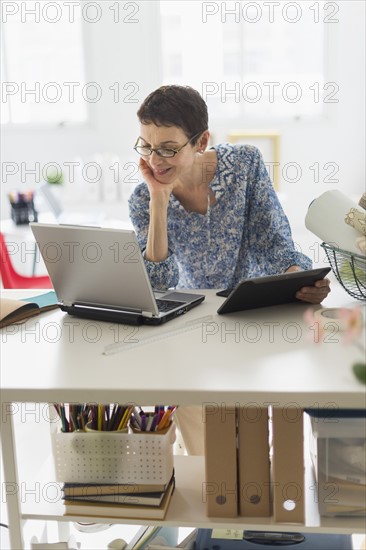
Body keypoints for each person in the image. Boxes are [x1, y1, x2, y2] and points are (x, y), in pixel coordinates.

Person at [128, 85, 331, 453]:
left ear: (201, 140)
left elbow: (272, 242)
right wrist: (159, 200)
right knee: (207, 449)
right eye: (147, 146)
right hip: (188, 329)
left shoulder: (245, 165)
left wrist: (299, 279)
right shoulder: (143, 197)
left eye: (168, 148)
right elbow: (159, 283)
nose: (155, 160)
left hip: (249, 321)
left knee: (248, 441)